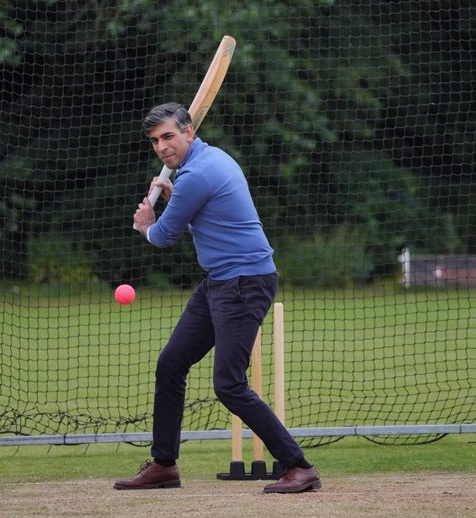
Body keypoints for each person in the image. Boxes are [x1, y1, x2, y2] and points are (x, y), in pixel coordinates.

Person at [114, 102, 321, 494]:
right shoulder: (207, 163)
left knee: (228, 384)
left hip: (245, 283)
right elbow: (209, 221)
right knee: (171, 363)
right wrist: (178, 200)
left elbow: (162, 237)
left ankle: (298, 466)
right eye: (156, 141)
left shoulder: (198, 174)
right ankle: (164, 465)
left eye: (169, 137)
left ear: (189, 132)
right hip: (221, 282)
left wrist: (146, 225)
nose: (162, 147)